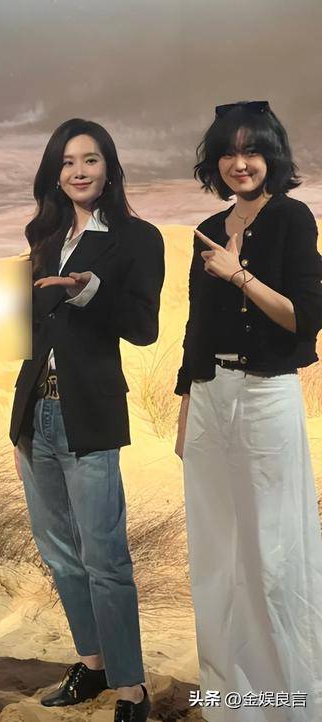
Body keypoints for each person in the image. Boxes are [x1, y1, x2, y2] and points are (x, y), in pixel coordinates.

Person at [9, 118, 164, 722]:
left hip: (90, 414)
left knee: (105, 557)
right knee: (59, 554)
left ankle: (130, 688)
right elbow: (24, 330)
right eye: (68, 161)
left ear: (109, 168)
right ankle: (93, 662)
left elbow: (144, 327)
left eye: (91, 159)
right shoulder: (43, 238)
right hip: (35, 413)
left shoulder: (137, 238)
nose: (79, 170)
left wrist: (89, 291)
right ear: (55, 173)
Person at [175, 100, 322, 721]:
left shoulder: (292, 217)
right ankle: (230, 702)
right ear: (214, 161)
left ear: (272, 156)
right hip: (209, 396)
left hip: (266, 395)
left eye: (252, 150)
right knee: (215, 552)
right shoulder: (209, 226)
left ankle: (290, 701)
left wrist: (238, 276)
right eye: (229, 152)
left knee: (274, 554)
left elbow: (305, 317)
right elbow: (196, 328)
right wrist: (186, 404)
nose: (240, 163)